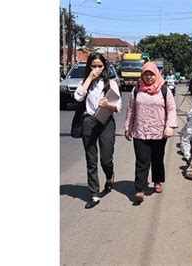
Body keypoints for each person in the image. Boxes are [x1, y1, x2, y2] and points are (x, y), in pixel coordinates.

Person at [124, 62, 178, 203]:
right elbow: (131, 110)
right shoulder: (136, 90)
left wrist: (170, 126)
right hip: (140, 131)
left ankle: (157, 181)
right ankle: (140, 189)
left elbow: (171, 109)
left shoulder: (164, 90)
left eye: (151, 74)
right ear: (142, 75)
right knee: (142, 160)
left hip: (159, 131)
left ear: (157, 75)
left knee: (157, 158)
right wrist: (128, 127)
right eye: (146, 74)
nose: (149, 77)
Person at [74, 52, 122, 209]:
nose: (97, 69)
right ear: (89, 66)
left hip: (106, 121)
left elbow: (118, 106)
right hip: (89, 121)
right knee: (91, 159)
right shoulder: (85, 82)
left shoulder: (111, 83)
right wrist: (89, 78)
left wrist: (108, 105)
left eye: (100, 66)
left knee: (106, 158)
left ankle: (109, 176)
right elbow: (78, 97)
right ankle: (94, 194)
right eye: (93, 66)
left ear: (105, 66)